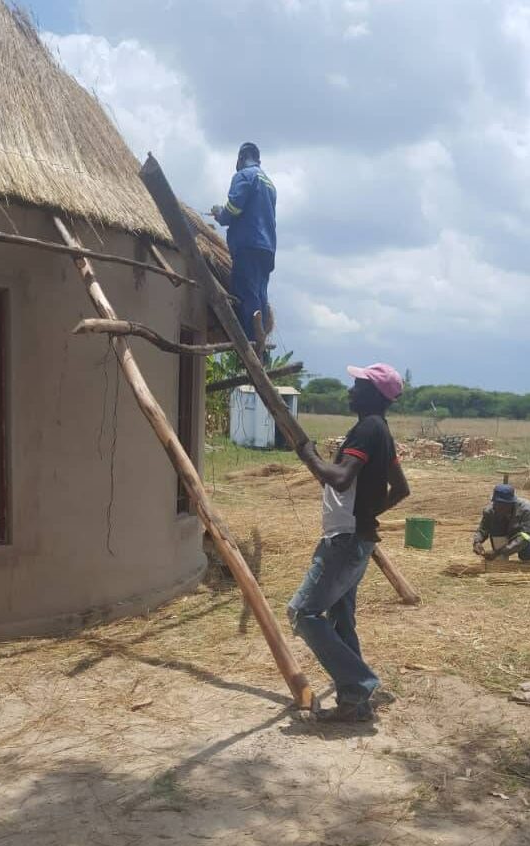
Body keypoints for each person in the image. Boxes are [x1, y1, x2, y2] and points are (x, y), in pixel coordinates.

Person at [288, 364, 410, 724]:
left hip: (345, 541)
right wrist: (369, 513)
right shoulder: (381, 431)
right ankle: (355, 706)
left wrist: (308, 454)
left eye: (357, 386)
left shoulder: (367, 429)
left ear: (374, 394)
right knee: (340, 620)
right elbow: (401, 489)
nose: (349, 391)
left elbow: (341, 479)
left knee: (303, 613)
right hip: (356, 538)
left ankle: (359, 683)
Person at [211, 142, 276, 346]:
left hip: (248, 244)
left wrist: (220, 213)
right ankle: (260, 341)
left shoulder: (244, 176)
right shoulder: (269, 183)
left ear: (240, 158)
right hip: (267, 247)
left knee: (246, 293)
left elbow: (234, 209)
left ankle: (250, 342)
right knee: (259, 294)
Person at [473, 484, 530, 561]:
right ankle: (501, 559)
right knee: (499, 559)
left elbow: (525, 537)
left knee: (527, 554)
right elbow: (483, 529)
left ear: (511, 503)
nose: (498, 507)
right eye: (496, 503)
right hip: (507, 532)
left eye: (502, 505)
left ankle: (524, 560)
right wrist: (477, 542)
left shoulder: (527, 510)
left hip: (529, 535)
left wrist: (498, 552)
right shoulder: (490, 510)